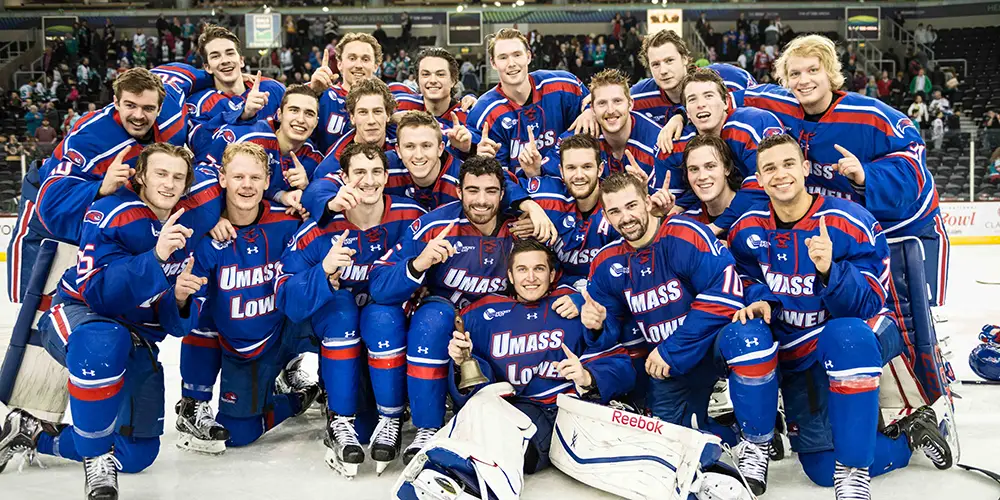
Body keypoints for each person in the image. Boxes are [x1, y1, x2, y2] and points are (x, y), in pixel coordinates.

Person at [727, 133, 952, 499]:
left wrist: (831, 270)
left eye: (788, 164)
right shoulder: (750, 226)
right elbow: (747, 274)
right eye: (770, 168)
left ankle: (854, 470)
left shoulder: (849, 219)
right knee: (818, 468)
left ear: (803, 168)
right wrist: (759, 298)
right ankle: (909, 435)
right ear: (760, 178)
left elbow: (867, 304)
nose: (780, 174)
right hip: (801, 346)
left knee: (845, 335)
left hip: (860, 330)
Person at [0, 143, 203, 499]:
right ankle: (96, 462)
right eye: (160, 173)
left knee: (137, 453)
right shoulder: (110, 211)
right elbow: (100, 294)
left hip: (134, 337)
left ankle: (34, 433)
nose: (169, 184)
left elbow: (171, 324)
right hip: (80, 316)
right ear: (139, 175)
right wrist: (155, 257)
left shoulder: (182, 232)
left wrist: (181, 300)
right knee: (104, 339)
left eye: (177, 177)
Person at [585, 171, 779, 494]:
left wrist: (670, 350)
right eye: (614, 211)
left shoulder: (685, 233)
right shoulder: (607, 263)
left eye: (631, 205)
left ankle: (758, 443)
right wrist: (596, 325)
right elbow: (610, 334)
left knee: (749, 335)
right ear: (605, 216)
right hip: (669, 370)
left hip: (705, 349)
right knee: (676, 449)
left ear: (648, 202)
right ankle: (736, 428)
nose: (625, 217)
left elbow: (726, 295)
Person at [276, 142, 426, 477]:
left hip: (386, 332)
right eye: (359, 172)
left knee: (382, 312)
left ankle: (391, 417)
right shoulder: (319, 226)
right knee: (342, 308)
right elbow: (284, 294)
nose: (369, 180)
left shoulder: (412, 216)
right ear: (343, 178)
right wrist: (323, 274)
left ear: (387, 176)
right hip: (337, 331)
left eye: (376, 172)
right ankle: (339, 420)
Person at [367, 155, 526, 463]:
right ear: (458, 191)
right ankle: (426, 425)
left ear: (502, 193)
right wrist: (418, 263)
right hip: (446, 326)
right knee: (431, 318)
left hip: (497, 329)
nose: (481, 200)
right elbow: (378, 284)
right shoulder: (435, 225)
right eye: (473, 190)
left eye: (490, 191)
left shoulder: (521, 228)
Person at [174, 142, 319, 456]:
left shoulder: (289, 219)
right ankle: (292, 399)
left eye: (255, 178)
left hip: (286, 326)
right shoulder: (206, 234)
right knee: (238, 433)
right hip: (244, 342)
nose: (247, 185)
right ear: (222, 179)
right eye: (238, 177)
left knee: (332, 309)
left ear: (268, 181)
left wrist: (307, 197)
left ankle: (338, 396)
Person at [447, 238, 635, 473]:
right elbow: (473, 395)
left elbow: (622, 366)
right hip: (520, 414)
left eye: (539, 269)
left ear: (552, 274)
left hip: (572, 411)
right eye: (522, 270)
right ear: (510, 276)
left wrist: (588, 376)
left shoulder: (572, 306)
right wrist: (460, 363)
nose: (531, 278)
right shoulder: (482, 315)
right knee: (487, 441)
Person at [468, 28, 597, 177]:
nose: (511, 63)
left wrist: (590, 109)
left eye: (517, 55)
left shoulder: (562, 85)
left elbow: (600, 100)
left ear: (528, 57)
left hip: (569, 185)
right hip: (521, 193)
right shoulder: (484, 111)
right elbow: (497, 178)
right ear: (493, 63)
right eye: (503, 57)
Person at [186, 84, 324, 213]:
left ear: (316, 122)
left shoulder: (315, 160)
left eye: (309, 114)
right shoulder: (246, 137)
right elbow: (204, 174)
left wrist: (305, 188)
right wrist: (216, 216)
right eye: (294, 110)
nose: (301, 119)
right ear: (280, 114)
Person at [520, 133, 620, 287]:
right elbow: (502, 182)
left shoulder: (618, 204)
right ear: (561, 171)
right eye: (571, 168)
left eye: (587, 167)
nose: (579, 175)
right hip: (561, 290)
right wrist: (530, 206)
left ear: (600, 169)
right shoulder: (550, 194)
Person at [302, 77, 402, 222]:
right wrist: (330, 203)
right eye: (363, 112)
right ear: (352, 117)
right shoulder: (338, 157)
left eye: (378, 111)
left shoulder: (403, 136)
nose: (371, 120)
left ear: (388, 115)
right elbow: (314, 190)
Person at [630, 29, 756, 130]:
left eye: (669, 61)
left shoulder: (729, 78)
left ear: (684, 58)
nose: (663, 71)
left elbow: (762, 105)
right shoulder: (638, 96)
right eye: (656, 64)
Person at [181, 25, 286, 127]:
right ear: (207, 67)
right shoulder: (199, 104)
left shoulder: (273, 90)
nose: (225, 61)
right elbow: (204, 143)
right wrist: (243, 114)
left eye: (230, 53)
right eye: (215, 56)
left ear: (241, 60)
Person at [392, 47, 481, 156]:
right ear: (417, 80)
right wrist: (388, 119)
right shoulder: (402, 104)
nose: (433, 80)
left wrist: (468, 149)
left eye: (440, 74)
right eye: (425, 74)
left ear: (453, 80)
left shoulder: (468, 114)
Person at [308, 32, 384, 152]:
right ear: (339, 64)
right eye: (352, 58)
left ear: (375, 66)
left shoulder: (386, 102)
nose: (358, 65)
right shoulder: (322, 96)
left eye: (365, 59)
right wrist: (312, 94)